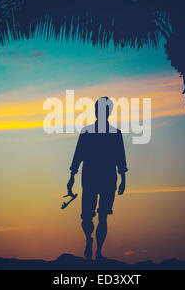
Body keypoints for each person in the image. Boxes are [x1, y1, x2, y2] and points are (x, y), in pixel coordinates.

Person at [67, 97, 128, 260]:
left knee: (102, 215)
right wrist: (72, 175)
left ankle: (99, 250)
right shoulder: (87, 132)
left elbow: (120, 157)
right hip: (93, 178)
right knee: (88, 216)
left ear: (108, 112)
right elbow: (78, 155)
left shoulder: (115, 134)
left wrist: (123, 178)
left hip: (105, 178)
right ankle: (89, 240)